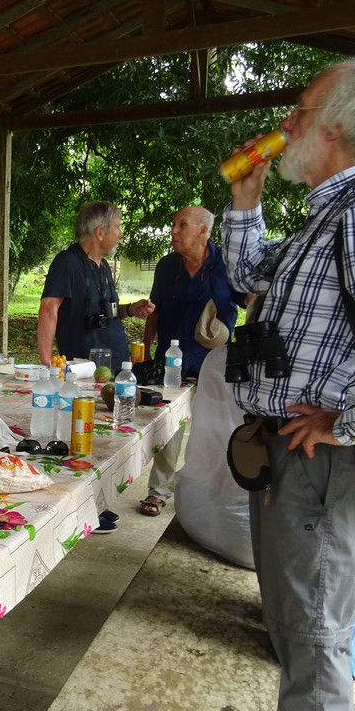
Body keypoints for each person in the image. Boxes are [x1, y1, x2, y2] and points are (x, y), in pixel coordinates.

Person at [223, 58, 355, 711]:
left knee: (317, 651)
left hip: (326, 465)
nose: (287, 124)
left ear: (339, 124)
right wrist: (246, 204)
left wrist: (343, 418)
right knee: (299, 635)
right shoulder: (332, 210)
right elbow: (251, 278)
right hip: (293, 461)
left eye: (300, 109)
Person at [138, 206, 244, 516]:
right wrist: (144, 350)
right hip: (170, 363)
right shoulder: (167, 266)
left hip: (213, 364)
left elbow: (249, 302)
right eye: (173, 225)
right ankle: (158, 491)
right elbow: (154, 311)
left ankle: (207, 494)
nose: (173, 231)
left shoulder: (227, 264)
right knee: (169, 429)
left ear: (203, 231)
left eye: (181, 225)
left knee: (211, 431)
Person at [37, 201, 153, 371]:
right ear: (100, 232)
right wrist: (48, 365)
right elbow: (48, 310)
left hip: (118, 364)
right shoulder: (67, 262)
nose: (120, 234)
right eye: (117, 227)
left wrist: (129, 310)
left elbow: (102, 309)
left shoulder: (104, 265)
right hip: (85, 369)